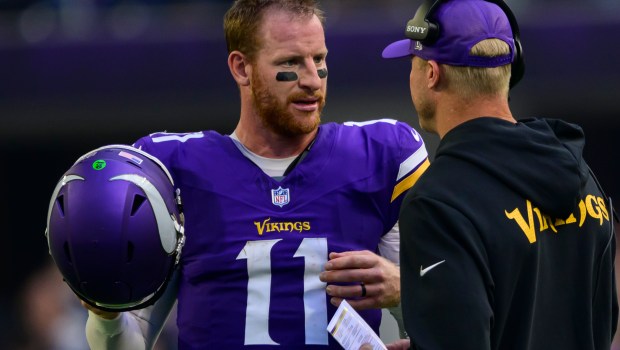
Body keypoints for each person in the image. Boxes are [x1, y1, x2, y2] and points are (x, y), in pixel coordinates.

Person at [82, 0, 429, 349]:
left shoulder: (381, 156)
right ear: (241, 68)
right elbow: (132, 337)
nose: (312, 79)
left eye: (319, 59)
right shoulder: (173, 169)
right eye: (290, 62)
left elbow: (446, 315)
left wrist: (404, 289)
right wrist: (106, 315)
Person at [379, 0, 619, 349]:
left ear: (432, 73)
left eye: (413, 64)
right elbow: (603, 321)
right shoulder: (584, 176)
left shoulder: (438, 202)